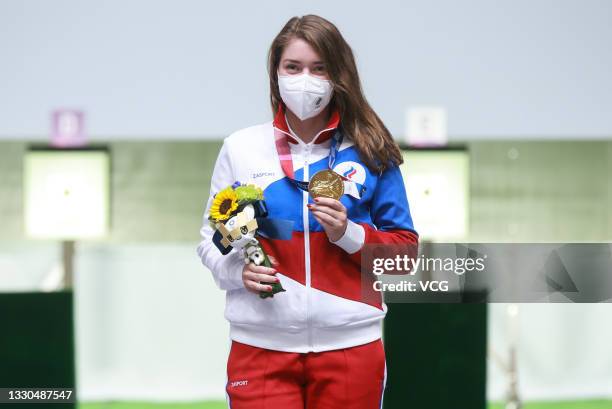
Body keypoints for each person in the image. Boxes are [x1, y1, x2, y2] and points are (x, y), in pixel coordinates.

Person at [197, 14, 418, 409]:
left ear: (339, 75)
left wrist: (348, 234)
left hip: (352, 346)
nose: (305, 80)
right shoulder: (242, 148)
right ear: (276, 73)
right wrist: (236, 273)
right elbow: (211, 242)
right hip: (260, 348)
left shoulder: (371, 149)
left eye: (319, 69)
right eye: (293, 67)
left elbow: (404, 256)